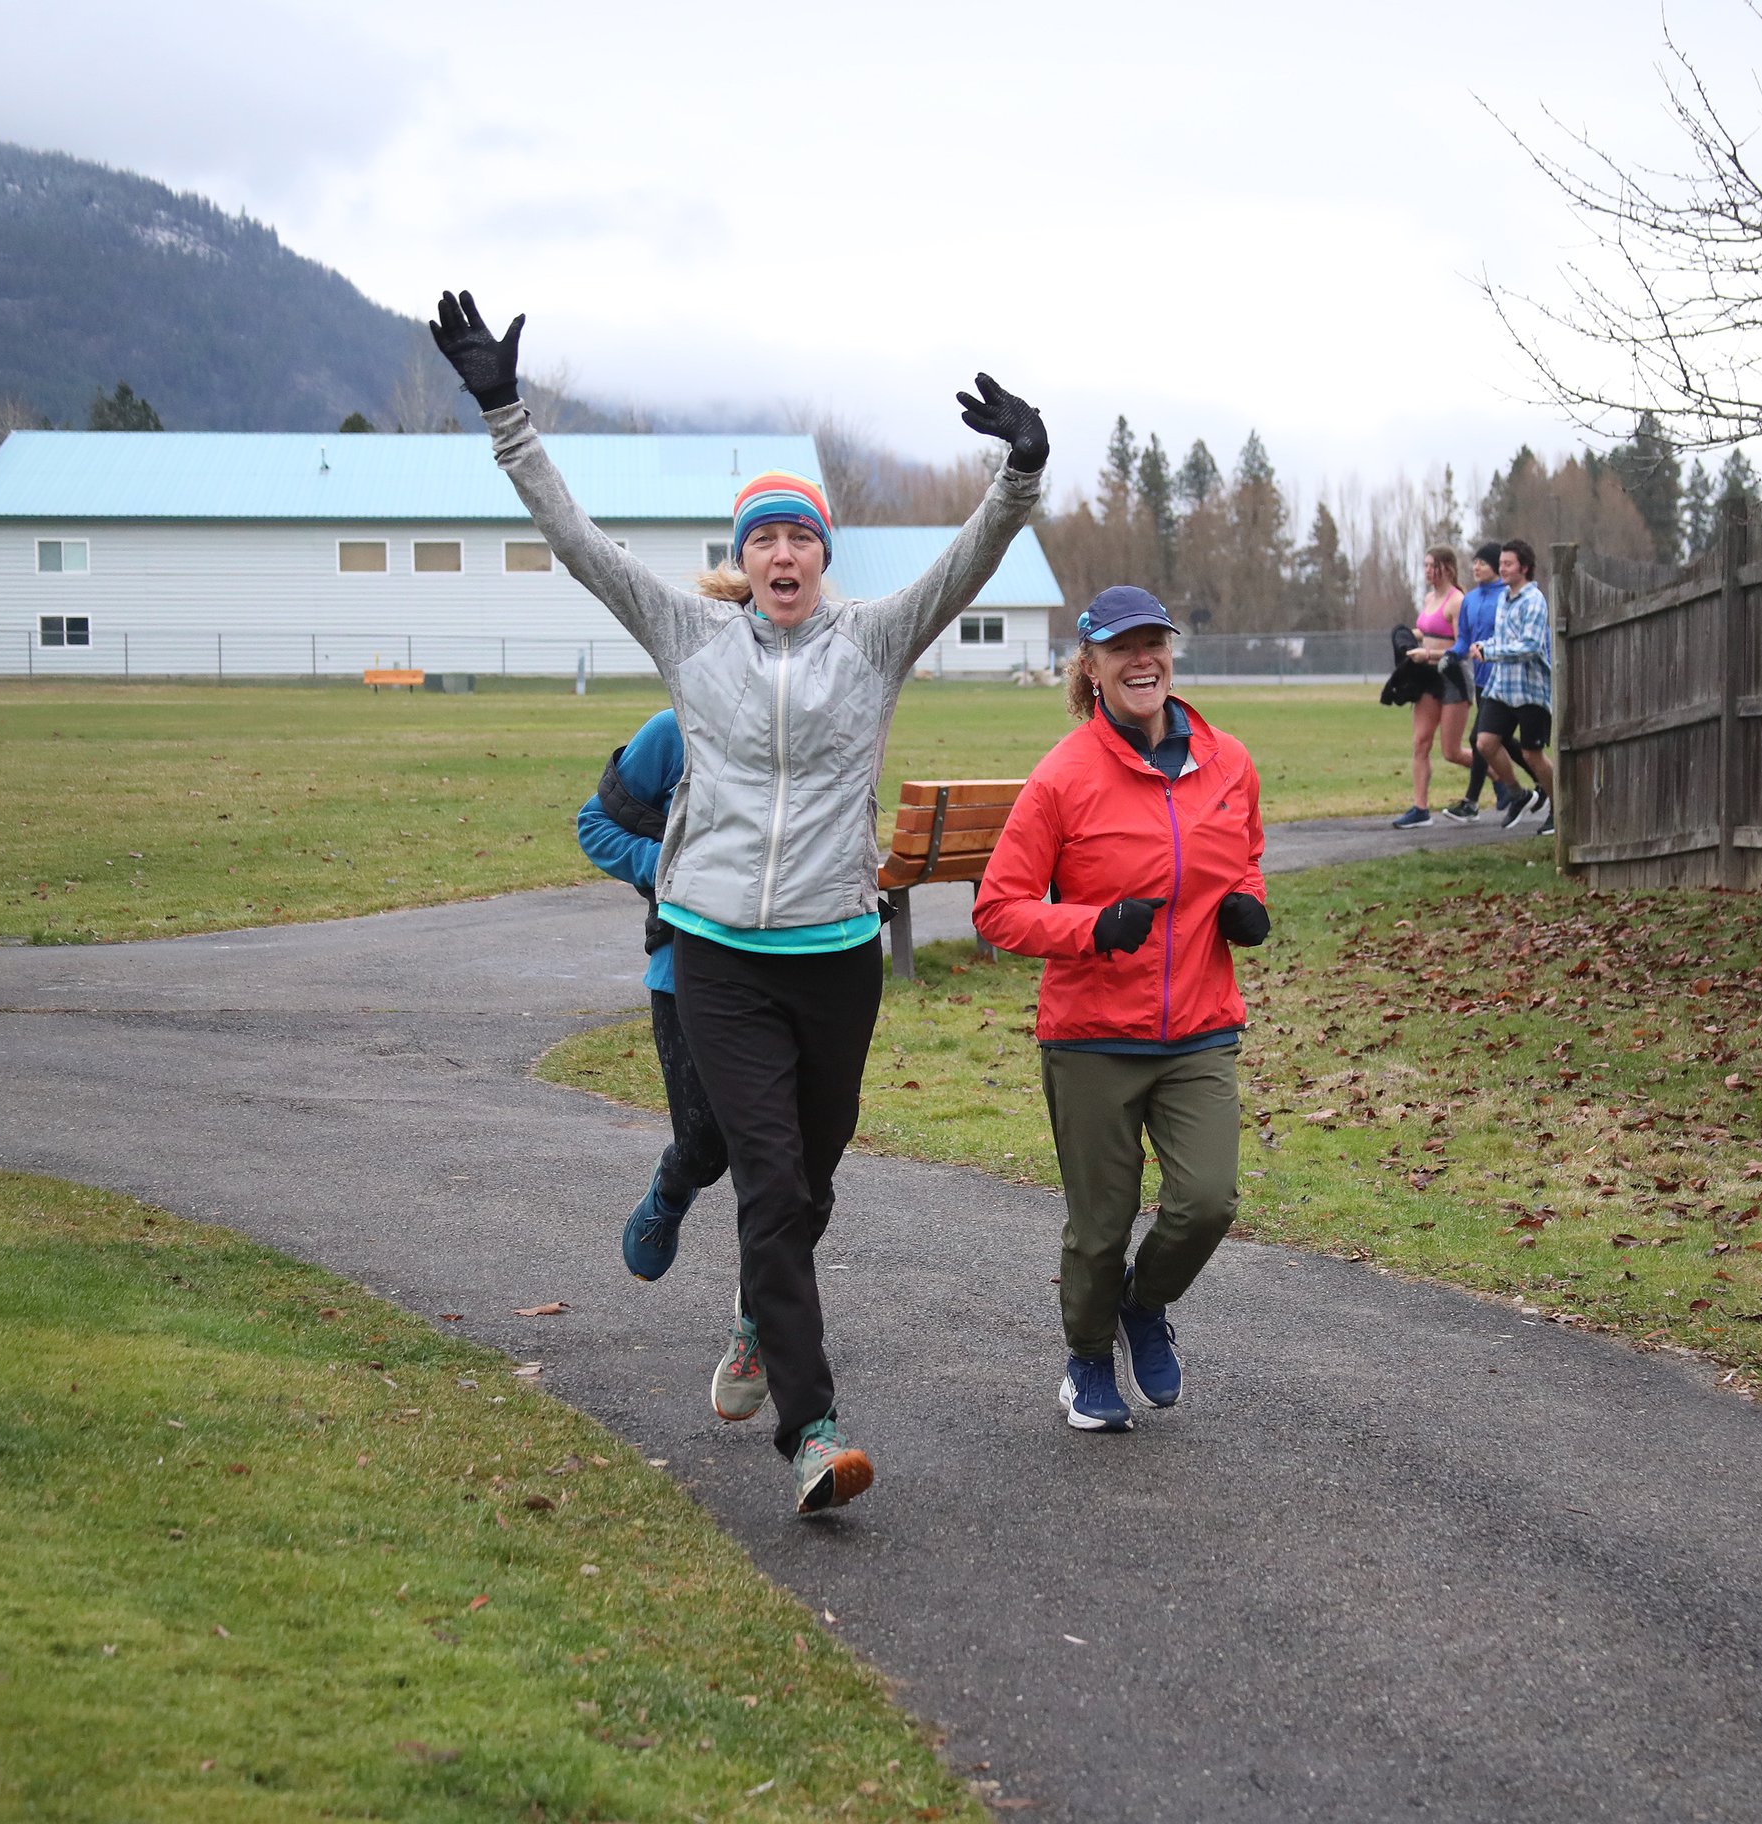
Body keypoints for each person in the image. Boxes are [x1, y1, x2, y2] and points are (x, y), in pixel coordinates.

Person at [430, 290, 1048, 1513]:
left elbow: (968, 561)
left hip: (836, 953)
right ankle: (814, 1435)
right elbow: (578, 542)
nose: (782, 556)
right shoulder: (688, 639)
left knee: (808, 1186)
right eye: (764, 540)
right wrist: (505, 414)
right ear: (743, 559)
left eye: (800, 539)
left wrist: (1019, 474)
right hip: (716, 953)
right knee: (768, 1180)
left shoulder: (873, 642)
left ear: (824, 557)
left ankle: (762, 1319)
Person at [973, 587, 1268, 1432]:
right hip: (1093, 1038)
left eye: (1154, 644)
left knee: (1207, 1202)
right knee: (1100, 1229)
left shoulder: (1228, 761)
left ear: (1170, 654)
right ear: (1091, 665)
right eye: (1121, 648)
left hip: (1201, 1029)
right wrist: (1092, 928)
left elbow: (1244, 856)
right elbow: (998, 910)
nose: (1143, 660)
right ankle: (1088, 1359)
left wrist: (1247, 903)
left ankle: (1144, 1304)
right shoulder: (1063, 777)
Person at [573, 708, 729, 1287]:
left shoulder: (813, 725)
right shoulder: (676, 729)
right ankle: (672, 1188)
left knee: (782, 1161)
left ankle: (764, 1304)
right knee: (705, 1149)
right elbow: (596, 824)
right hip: (681, 970)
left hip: (789, 974)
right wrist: (665, 865)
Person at [1443, 540, 1534, 821]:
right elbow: (1464, 640)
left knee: (1479, 739)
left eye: (1482, 562)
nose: (1476, 567)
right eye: (1474, 562)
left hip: (1505, 679)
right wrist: (1451, 655)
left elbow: (1512, 639)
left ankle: (1475, 801)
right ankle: (1535, 785)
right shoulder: (1470, 600)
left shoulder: (1506, 598)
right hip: (1482, 681)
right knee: (1498, 740)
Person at [1473, 539, 1558, 834]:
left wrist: (1491, 652)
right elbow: (1503, 640)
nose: (1502, 568)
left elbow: (1530, 646)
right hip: (1501, 688)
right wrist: (1484, 645)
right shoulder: (1503, 599)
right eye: (1501, 563)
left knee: (1533, 755)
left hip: (1530, 691)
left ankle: (1560, 809)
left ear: (1524, 567)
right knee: (1484, 743)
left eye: (1508, 564)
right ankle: (1518, 794)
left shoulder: (1534, 601)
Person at [1389, 546, 1475, 828]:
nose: (1426, 571)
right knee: (1420, 742)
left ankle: (1502, 779)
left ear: (1446, 567)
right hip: (1428, 678)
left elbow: (1463, 648)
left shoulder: (1457, 601)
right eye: (1425, 565)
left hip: (1453, 677)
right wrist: (1405, 635)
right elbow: (1427, 631)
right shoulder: (1428, 598)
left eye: (1431, 566)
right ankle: (1420, 809)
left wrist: (1428, 654)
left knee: (1452, 751)